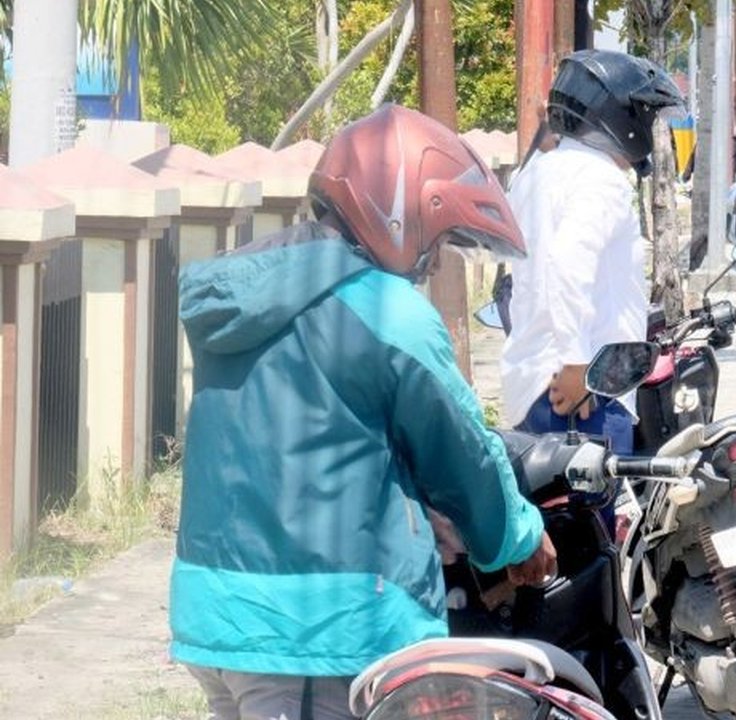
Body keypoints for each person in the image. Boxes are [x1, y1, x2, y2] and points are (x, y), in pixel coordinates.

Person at [171, 104, 557, 720]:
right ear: (402, 211)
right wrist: (519, 537)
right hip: (316, 633)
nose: (432, 263)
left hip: (219, 610)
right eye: (436, 243)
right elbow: (462, 456)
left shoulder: (247, 292)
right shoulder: (385, 311)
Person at [500, 49, 685, 455]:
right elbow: (566, 264)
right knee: (601, 495)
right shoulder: (601, 179)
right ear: (618, 116)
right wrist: (577, 363)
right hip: (582, 391)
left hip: (533, 383)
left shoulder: (535, 173)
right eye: (644, 116)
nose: (647, 128)